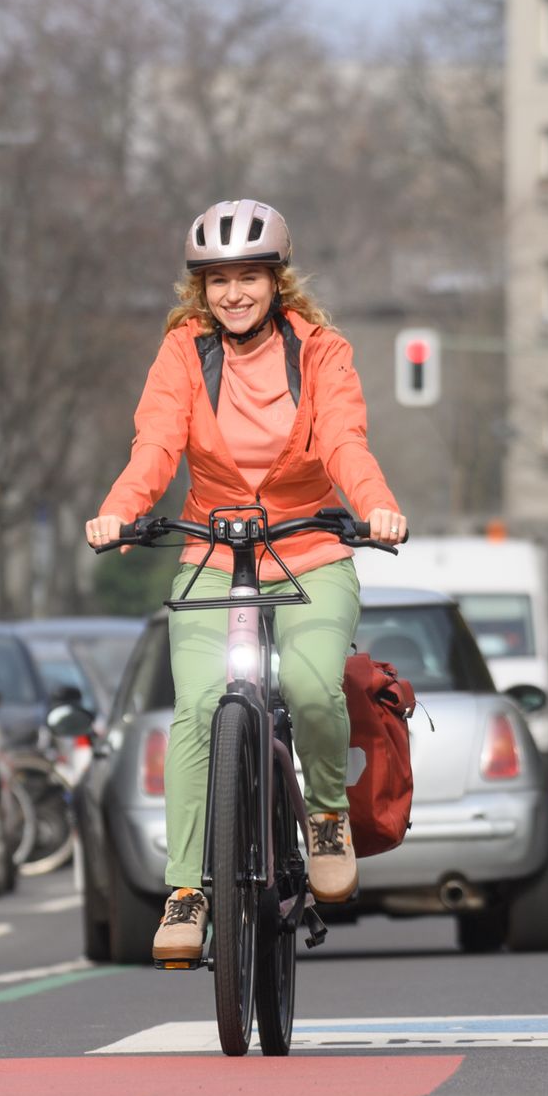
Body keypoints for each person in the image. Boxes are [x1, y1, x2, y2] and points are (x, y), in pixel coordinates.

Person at [82, 199, 407, 962]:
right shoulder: (183, 354)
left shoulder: (322, 351)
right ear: (200, 287)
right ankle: (188, 891)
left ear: (276, 280)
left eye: (249, 277)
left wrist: (378, 505)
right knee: (198, 708)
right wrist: (119, 511)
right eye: (218, 279)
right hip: (210, 553)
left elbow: (342, 440)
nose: (233, 293)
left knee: (312, 682)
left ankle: (325, 813)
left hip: (310, 550)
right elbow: (155, 444)